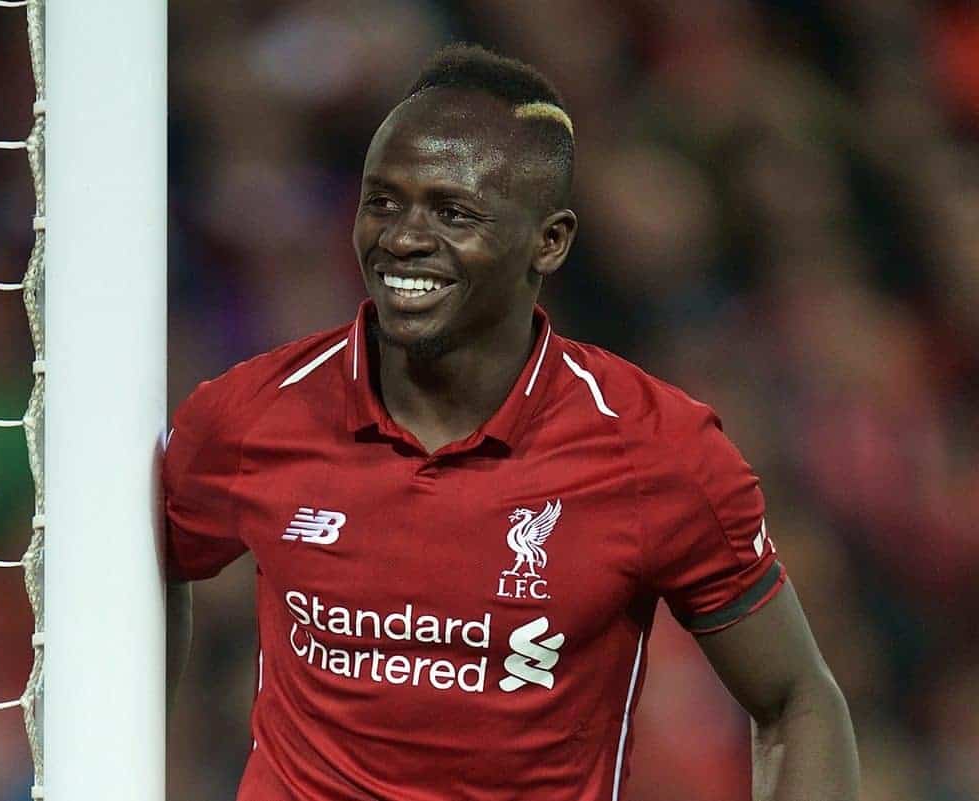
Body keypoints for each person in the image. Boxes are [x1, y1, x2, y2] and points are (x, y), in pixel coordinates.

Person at [164, 43, 859, 801]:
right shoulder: (251, 414)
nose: (401, 237)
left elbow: (798, 697)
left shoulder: (655, 450)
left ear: (549, 241)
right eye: (382, 200)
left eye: (452, 211)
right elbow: (138, 578)